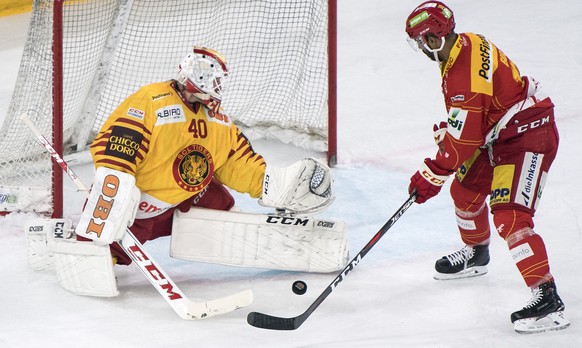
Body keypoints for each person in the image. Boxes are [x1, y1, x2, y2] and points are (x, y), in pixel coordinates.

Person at [73, 46, 338, 266]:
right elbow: (122, 139)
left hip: (186, 197)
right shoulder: (152, 100)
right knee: (112, 201)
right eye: (214, 80)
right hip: (138, 208)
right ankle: (90, 255)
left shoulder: (218, 119)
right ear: (197, 78)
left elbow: (236, 159)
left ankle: (279, 247)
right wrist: (116, 179)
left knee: (220, 202)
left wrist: (276, 184)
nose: (218, 86)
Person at [404, 1, 569, 334]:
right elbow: (471, 122)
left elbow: (464, 141)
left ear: (436, 37)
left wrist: (432, 171)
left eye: (423, 41)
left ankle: (548, 300)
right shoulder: (462, 44)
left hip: (527, 137)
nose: (421, 49)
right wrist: (455, 134)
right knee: (464, 191)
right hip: (497, 136)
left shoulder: (462, 71)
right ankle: (477, 254)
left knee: (510, 217)